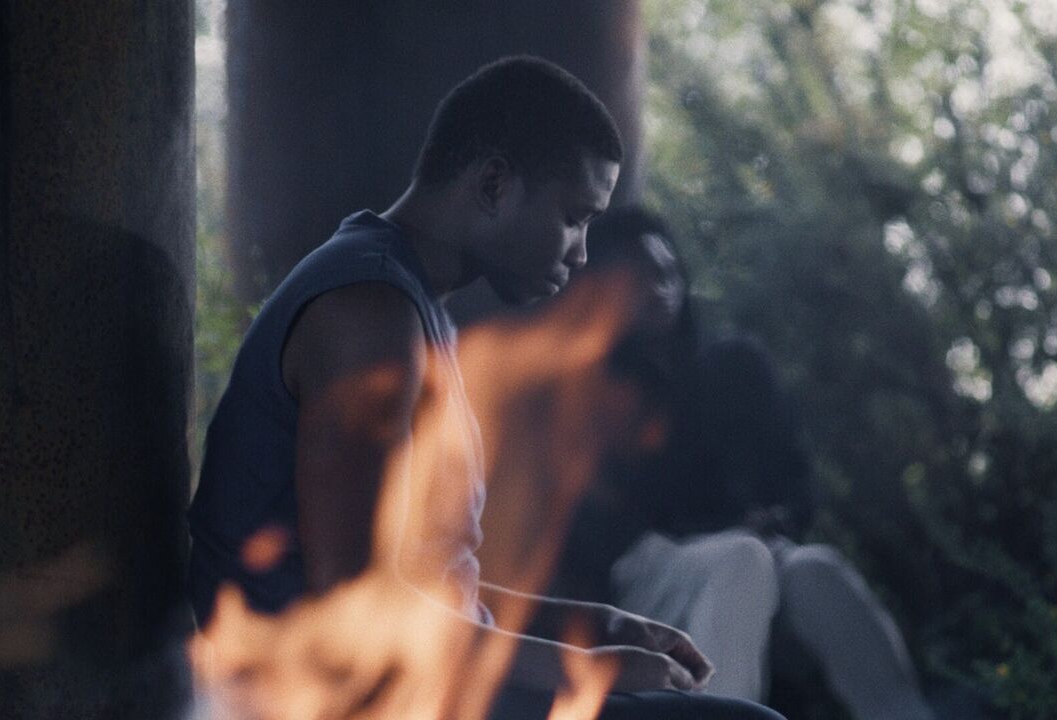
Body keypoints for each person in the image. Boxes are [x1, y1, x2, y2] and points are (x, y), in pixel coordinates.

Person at [187, 56, 785, 720]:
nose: (582, 252)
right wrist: (586, 668)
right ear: (495, 185)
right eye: (574, 217)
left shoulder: (409, 304)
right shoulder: (368, 309)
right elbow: (355, 605)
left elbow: (430, 586)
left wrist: (591, 623)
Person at [553, 207, 936, 719]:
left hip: (751, 547)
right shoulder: (591, 388)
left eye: (667, 273)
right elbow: (604, 521)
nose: (659, 290)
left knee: (818, 571)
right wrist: (721, 529)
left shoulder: (734, 364)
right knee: (741, 560)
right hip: (648, 565)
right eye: (638, 279)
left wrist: (779, 516)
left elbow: (793, 475)